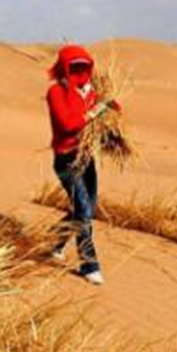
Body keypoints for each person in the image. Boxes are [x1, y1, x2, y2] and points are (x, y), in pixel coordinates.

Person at [45, 44, 120, 286]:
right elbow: (68, 124)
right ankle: (89, 264)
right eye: (74, 67)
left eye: (84, 66)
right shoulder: (56, 92)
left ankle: (54, 243)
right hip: (66, 159)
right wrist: (97, 111)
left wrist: (112, 115)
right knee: (85, 212)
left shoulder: (90, 92)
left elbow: (103, 116)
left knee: (86, 207)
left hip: (86, 157)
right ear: (65, 68)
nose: (80, 71)